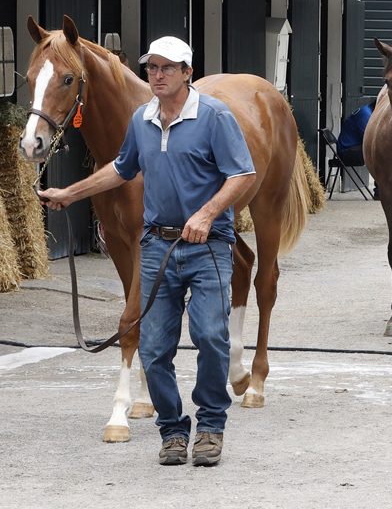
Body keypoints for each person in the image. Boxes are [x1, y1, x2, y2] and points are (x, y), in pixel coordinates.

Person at [38, 36, 255, 467]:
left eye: (166, 68)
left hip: (207, 245)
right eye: (152, 67)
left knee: (211, 336)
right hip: (158, 245)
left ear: (187, 72)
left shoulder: (214, 116)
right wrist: (71, 193)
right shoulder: (142, 119)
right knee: (154, 348)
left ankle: (210, 425)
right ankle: (173, 430)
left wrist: (208, 214)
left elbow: (243, 174)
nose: (157, 75)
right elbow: (121, 168)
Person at [336, 100, 375, 167]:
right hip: (346, 152)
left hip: (350, 149)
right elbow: (368, 140)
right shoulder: (366, 114)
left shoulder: (366, 110)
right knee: (380, 154)